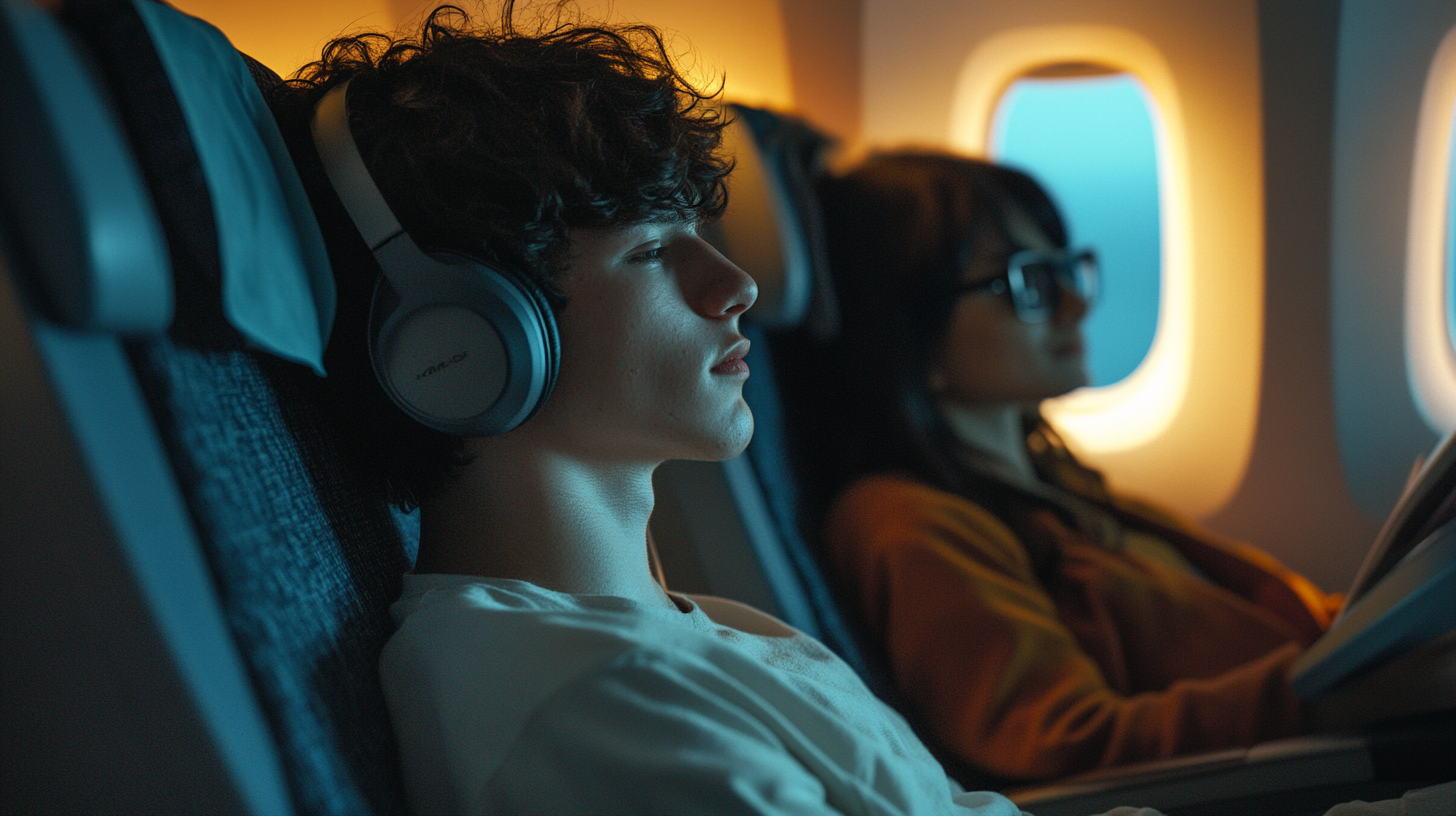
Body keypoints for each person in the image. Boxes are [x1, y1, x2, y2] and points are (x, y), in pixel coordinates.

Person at [268, 6, 1172, 815]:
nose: (735, 286)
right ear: (468, 337)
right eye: (653, 249)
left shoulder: (714, 629)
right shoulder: (580, 696)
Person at [811, 151, 1344, 782]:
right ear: (908, 331)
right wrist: (1327, 696)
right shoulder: (909, 523)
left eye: (1065, 270)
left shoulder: (1051, 488)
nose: (1074, 305)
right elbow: (1065, 742)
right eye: (1028, 283)